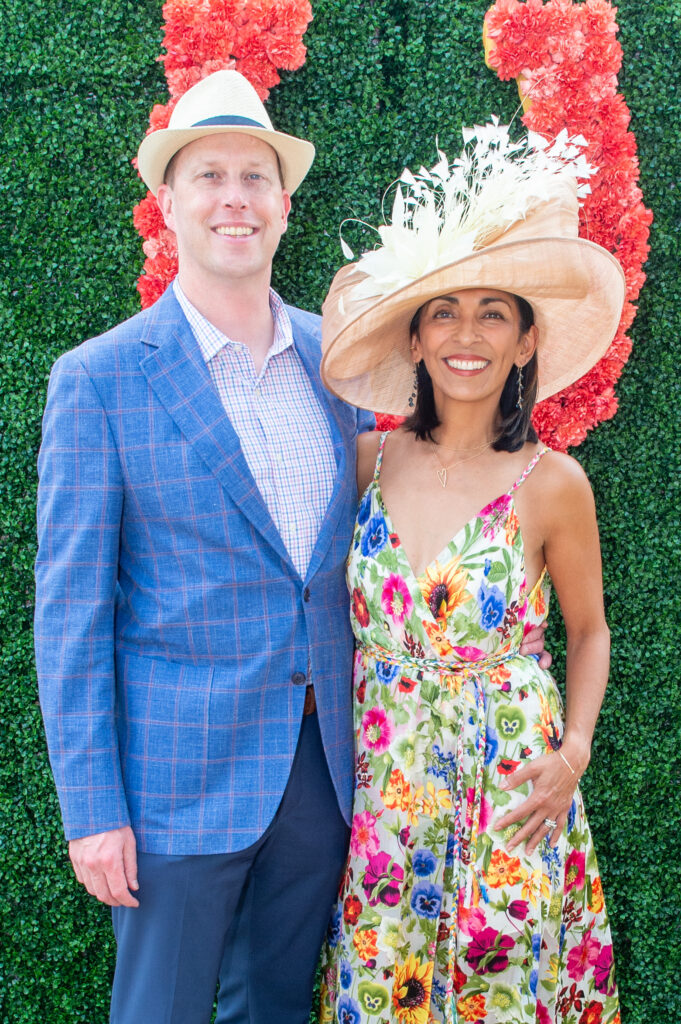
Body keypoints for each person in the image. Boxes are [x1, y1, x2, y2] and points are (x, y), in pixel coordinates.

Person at [34, 74, 547, 1023]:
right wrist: (92, 809)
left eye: (255, 178)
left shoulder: (341, 361)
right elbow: (70, 615)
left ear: (282, 204)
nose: (235, 197)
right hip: (172, 784)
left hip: (322, 774)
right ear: (169, 202)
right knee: (161, 1011)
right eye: (209, 176)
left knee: (272, 1005)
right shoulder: (98, 381)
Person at [318, 125, 623, 1023]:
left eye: (494, 313)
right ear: (414, 338)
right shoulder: (365, 461)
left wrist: (573, 752)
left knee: (504, 986)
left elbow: (589, 630)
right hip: (384, 791)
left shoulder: (552, 483)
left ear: (525, 342)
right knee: (382, 989)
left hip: (509, 796)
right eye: (445, 311)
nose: (467, 334)